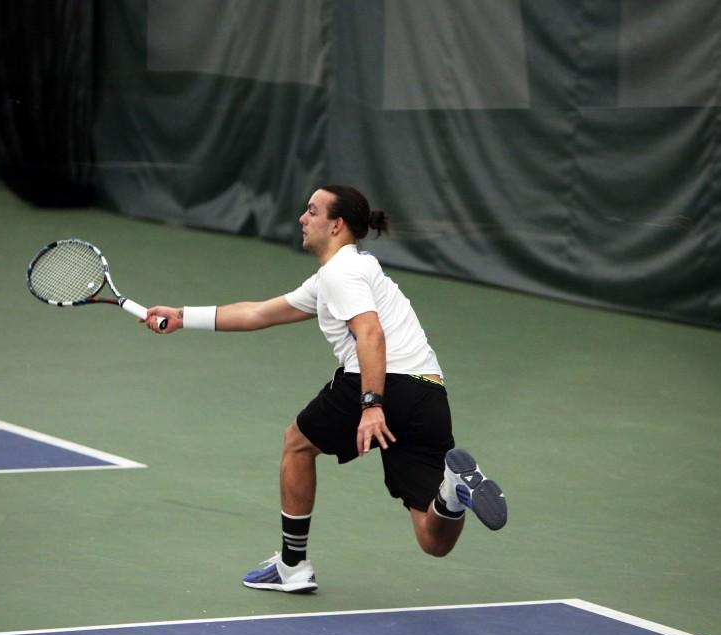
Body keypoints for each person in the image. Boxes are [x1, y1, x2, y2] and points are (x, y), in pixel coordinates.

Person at [143, 185, 507, 593]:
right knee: (432, 537)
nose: (303, 217)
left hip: (380, 383)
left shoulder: (341, 273)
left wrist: (372, 404)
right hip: (429, 393)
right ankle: (453, 495)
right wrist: (181, 315)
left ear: (336, 225)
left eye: (312, 211)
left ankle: (292, 566)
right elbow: (259, 313)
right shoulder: (341, 275)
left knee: (297, 444)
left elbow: (370, 333)